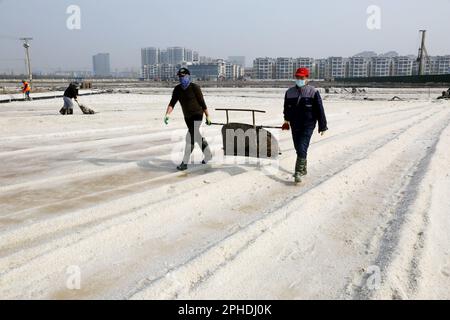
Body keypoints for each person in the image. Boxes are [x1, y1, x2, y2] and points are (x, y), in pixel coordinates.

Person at [282, 68, 328, 183]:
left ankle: (298, 172)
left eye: (302, 78)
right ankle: (303, 169)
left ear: (306, 78)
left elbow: (319, 110)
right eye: (297, 77)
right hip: (295, 124)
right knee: (298, 147)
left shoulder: (313, 92)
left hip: (308, 124)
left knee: (302, 145)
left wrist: (322, 126)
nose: (299, 80)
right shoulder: (289, 92)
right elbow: (286, 108)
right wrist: (286, 121)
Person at [164, 68, 213, 171]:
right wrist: (167, 115)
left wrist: (207, 116)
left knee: (189, 137)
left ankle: (184, 163)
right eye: (179, 77)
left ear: (188, 76)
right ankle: (208, 154)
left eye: (182, 76)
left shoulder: (195, 88)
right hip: (187, 117)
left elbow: (202, 103)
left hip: (197, 115)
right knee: (196, 135)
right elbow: (172, 103)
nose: (181, 78)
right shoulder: (177, 89)